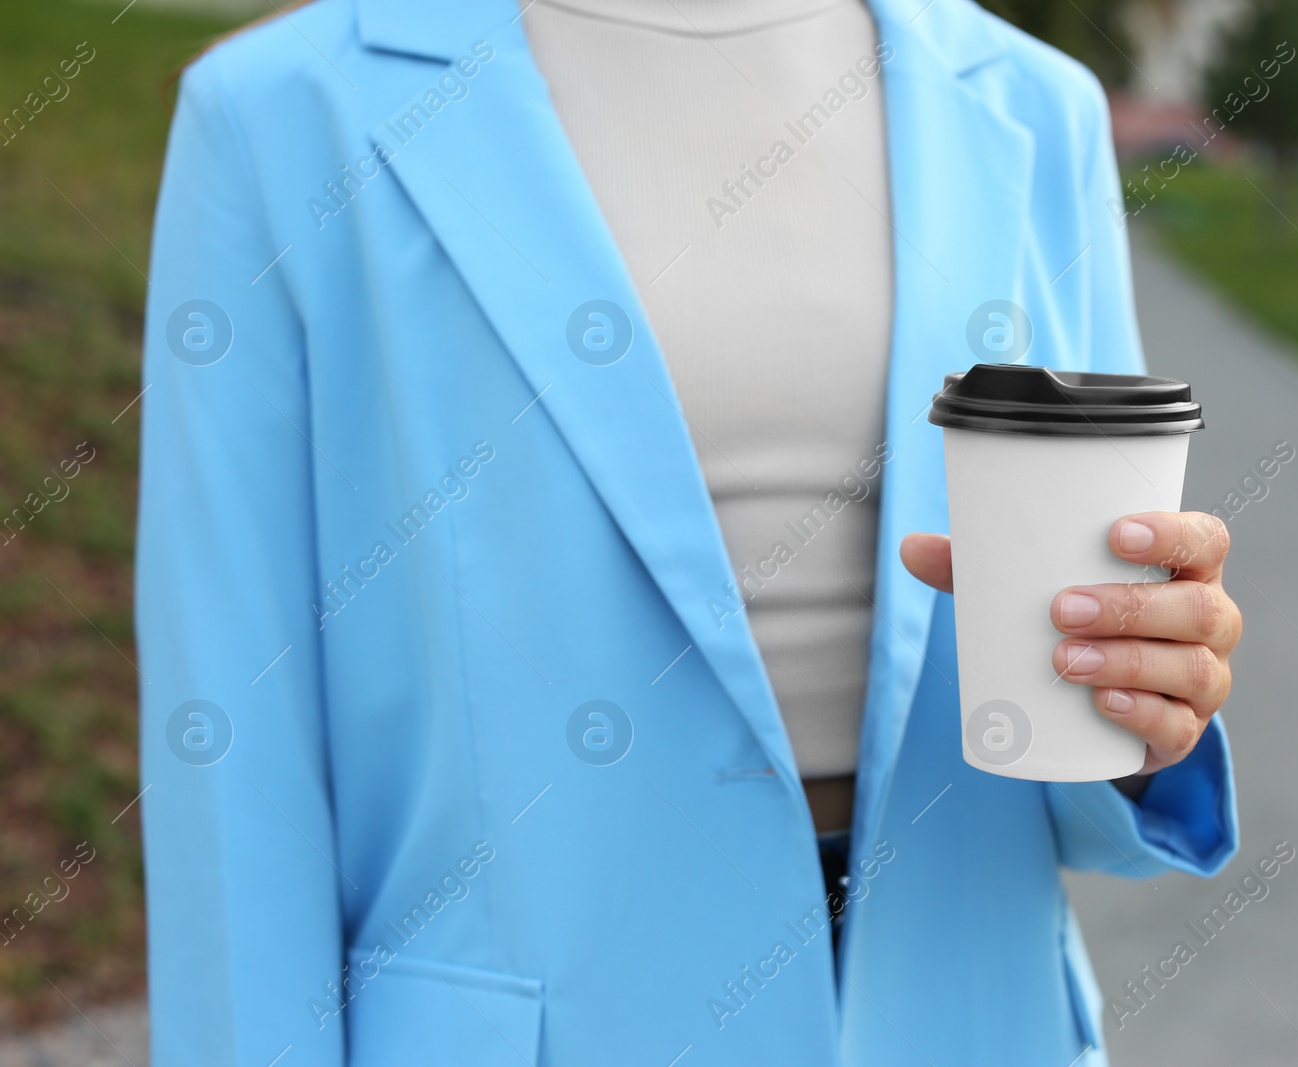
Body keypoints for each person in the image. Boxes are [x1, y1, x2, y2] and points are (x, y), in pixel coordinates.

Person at [136, 0, 1242, 1063]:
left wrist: (1137, 711)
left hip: (976, 1012)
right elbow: (235, 746)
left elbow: (1078, 725)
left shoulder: (1033, 103)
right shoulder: (278, 114)